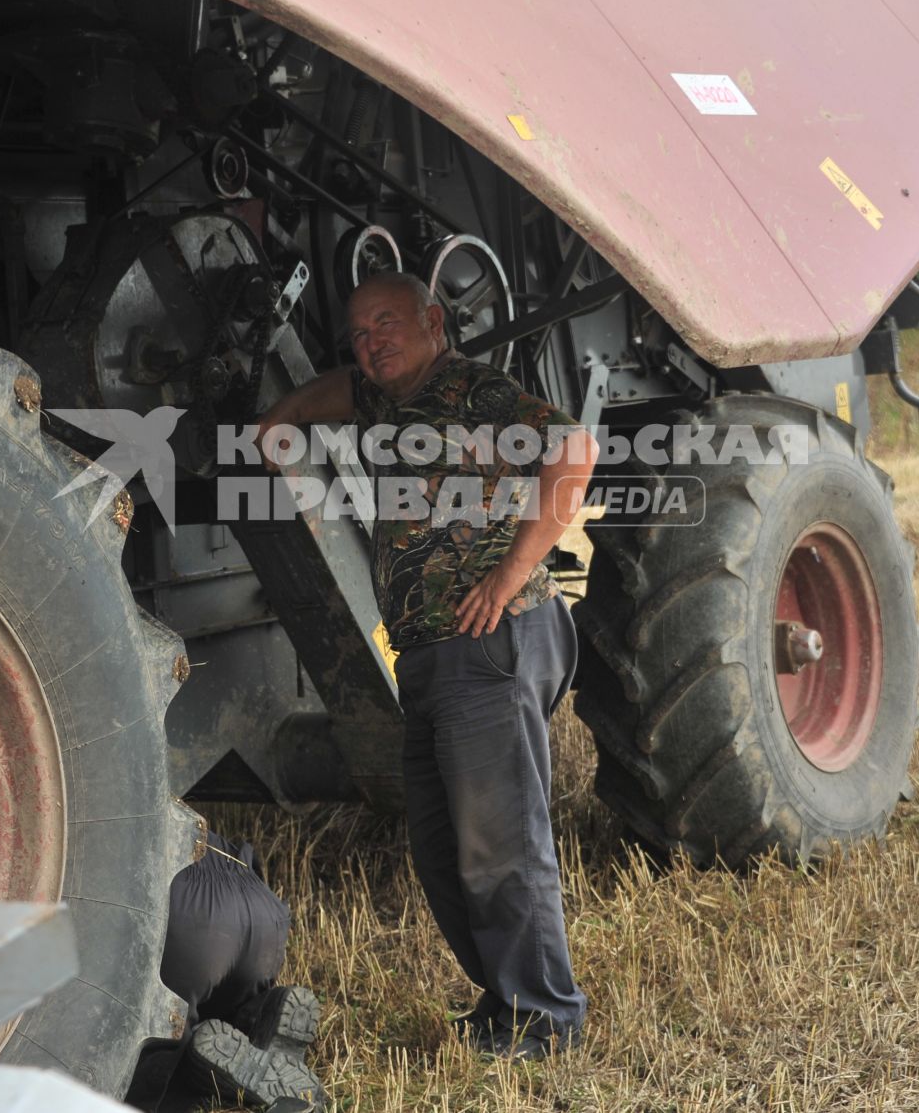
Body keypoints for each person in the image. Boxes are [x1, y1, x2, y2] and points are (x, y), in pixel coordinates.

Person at [255, 272, 598, 1058]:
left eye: (387, 323)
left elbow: (575, 450)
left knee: (500, 845)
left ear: (434, 322)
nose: (371, 341)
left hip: (490, 641)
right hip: (432, 656)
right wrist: (280, 417)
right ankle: (507, 999)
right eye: (360, 332)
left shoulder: (472, 390)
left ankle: (546, 1018)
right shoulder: (388, 400)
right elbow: (335, 391)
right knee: (442, 848)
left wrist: (509, 574)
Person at [129, 830, 324, 1112]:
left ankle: (189, 1072)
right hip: (259, 905)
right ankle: (253, 1019)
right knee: (216, 1019)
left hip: (189, 915)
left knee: (143, 1057)